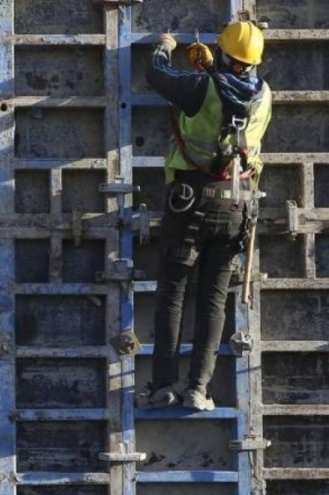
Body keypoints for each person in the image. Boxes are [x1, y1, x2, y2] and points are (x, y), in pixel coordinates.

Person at [141, 21, 272, 411]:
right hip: (237, 204)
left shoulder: (199, 87)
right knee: (214, 299)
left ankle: (164, 385)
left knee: (173, 292)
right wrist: (214, 67)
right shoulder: (265, 95)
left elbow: (158, 74)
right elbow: (239, 115)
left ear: (225, 53)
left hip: (191, 201)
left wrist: (165, 46)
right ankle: (200, 388)